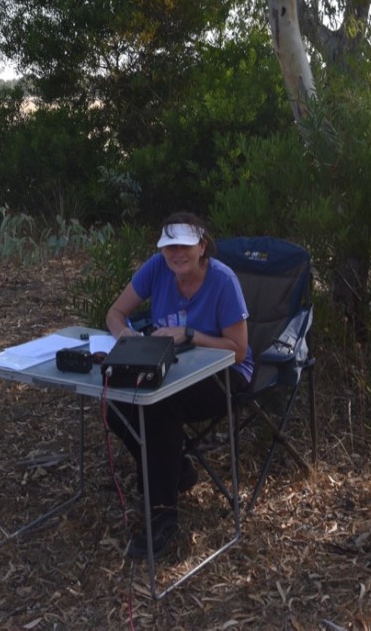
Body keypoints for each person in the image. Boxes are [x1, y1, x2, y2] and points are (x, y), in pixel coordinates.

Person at [105, 211, 253, 559]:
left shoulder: (223, 281)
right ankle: (180, 470)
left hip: (226, 373)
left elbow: (238, 350)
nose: (176, 253)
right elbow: (115, 313)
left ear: (202, 247)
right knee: (117, 404)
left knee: (160, 406)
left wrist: (190, 334)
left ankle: (163, 517)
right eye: (169, 246)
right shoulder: (156, 268)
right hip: (171, 367)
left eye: (185, 245)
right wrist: (126, 337)